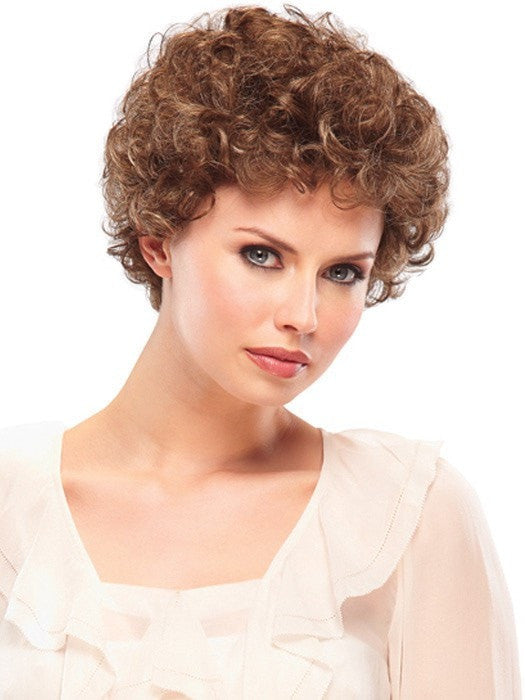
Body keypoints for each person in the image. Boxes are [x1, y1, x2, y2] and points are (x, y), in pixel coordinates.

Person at [0, 4, 521, 698]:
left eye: (343, 273)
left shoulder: (404, 519)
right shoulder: (12, 513)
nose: (303, 316)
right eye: (261, 255)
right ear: (159, 242)